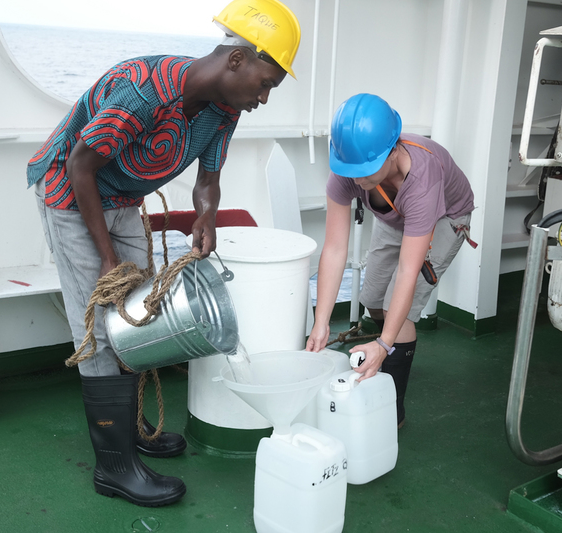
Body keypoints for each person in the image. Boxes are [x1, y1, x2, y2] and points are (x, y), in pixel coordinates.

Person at [26, 0, 300, 507]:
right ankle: (114, 467)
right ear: (238, 59)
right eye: (266, 83)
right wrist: (107, 258)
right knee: (100, 328)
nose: (264, 97)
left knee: (140, 317)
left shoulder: (225, 108)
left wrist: (206, 215)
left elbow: (209, 180)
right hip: (71, 193)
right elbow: (81, 166)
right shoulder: (146, 90)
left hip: (123, 199)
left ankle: (130, 431)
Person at [306, 93, 475, 429]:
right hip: (393, 216)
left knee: (402, 311)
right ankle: (390, 348)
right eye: (350, 171)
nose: (356, 180)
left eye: (365, 171)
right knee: (371, 298)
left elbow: (409, 273)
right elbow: (335, 249)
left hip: (445, 218)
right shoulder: (348, 167)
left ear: (393, 149)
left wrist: (384, 343)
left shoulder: (423, 179)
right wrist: (321, 322)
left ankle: (391, 410)